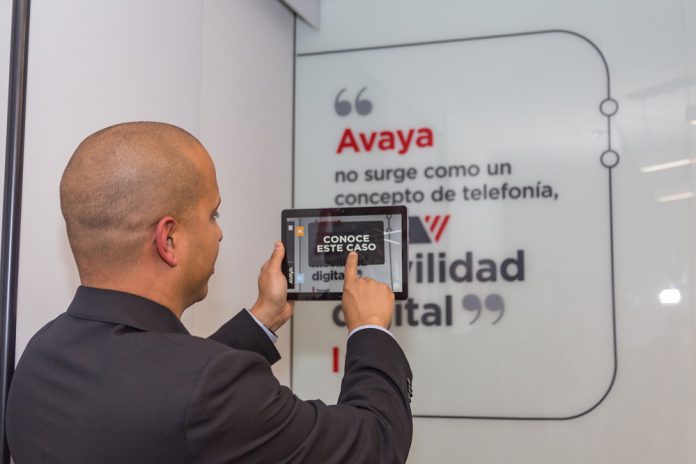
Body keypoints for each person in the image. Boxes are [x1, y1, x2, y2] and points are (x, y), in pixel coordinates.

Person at [5, 122, 412, 463]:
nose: (219, 233)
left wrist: (262, 318)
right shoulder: (209, 389)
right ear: (168, 239)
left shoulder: (40, 356)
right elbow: (377, 443)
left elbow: (168, 392)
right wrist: (369, 330)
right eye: (212, 214)